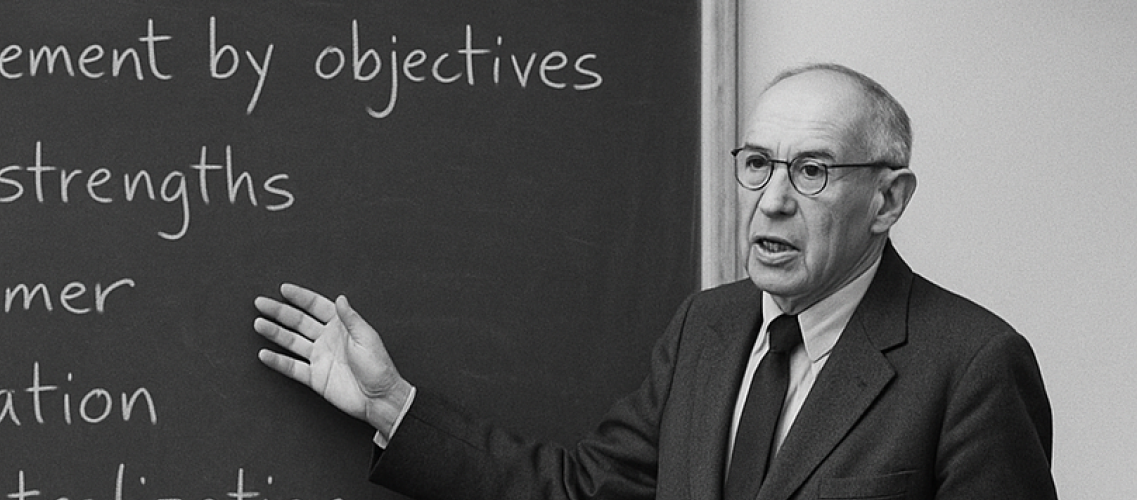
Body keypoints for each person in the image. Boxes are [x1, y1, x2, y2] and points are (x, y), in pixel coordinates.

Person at [251, 63, 1057, 500]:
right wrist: (393, 404)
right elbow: (587, 492)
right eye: (756, 165)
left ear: (887, 200)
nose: (772, 199)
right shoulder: (708, 327)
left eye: (812, 169)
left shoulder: (973, 366)